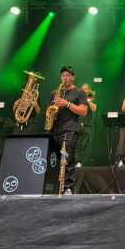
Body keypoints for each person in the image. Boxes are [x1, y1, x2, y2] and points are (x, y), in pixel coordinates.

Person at [46, 66, 88, 194]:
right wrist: (48, 114)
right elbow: (48, 109)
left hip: (69, 129)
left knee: (67, 158)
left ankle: (67, 187)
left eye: (68, 75)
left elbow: (84, 111)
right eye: (63, 75)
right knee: (52, 158)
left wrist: (67, 104)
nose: (65, 78)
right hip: (54, 129)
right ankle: (51, 185)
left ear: (73, 77)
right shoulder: (54, 93)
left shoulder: (79, 92)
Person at [76, 83, 97, 167]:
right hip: (77, 123)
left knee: (83, 145)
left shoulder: (91, 99)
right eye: (83, 89)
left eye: (86, 89)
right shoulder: (78, 99)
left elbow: (94, 109)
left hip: (87, 125)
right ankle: (72, 160)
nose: (84, 90)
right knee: (75, 144)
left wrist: (90, 101)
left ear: (89, 90)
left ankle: (79, 161)